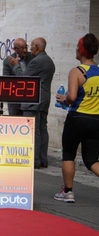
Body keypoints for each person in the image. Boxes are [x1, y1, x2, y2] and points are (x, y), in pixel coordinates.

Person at [53, 33, 99, 203]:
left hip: (78, 117)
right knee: (91, 159)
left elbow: (72, 97)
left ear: (80, 51)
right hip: (96, 120)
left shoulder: (77, 71)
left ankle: (68, 192)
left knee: (68, 154)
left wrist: (63, 99)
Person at [8, 37, 56, 169]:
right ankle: (42, 159)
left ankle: (34, 160)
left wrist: (16, 65)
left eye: (31, 46)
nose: (29, 49)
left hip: (33, 100)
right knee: (42, 128)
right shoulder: (49, 61)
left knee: (33, 130)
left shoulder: (37, 61)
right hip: (45, 98)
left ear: (37, 47)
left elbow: (23, 78)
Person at [2, 38, 34, 116]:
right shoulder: (8, 61)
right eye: (22, 48)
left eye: (26, 47)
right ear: (15, 49)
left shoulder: (32, 58)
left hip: (29, 98)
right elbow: (6, 80)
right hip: (14, 100)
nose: (25, 50)